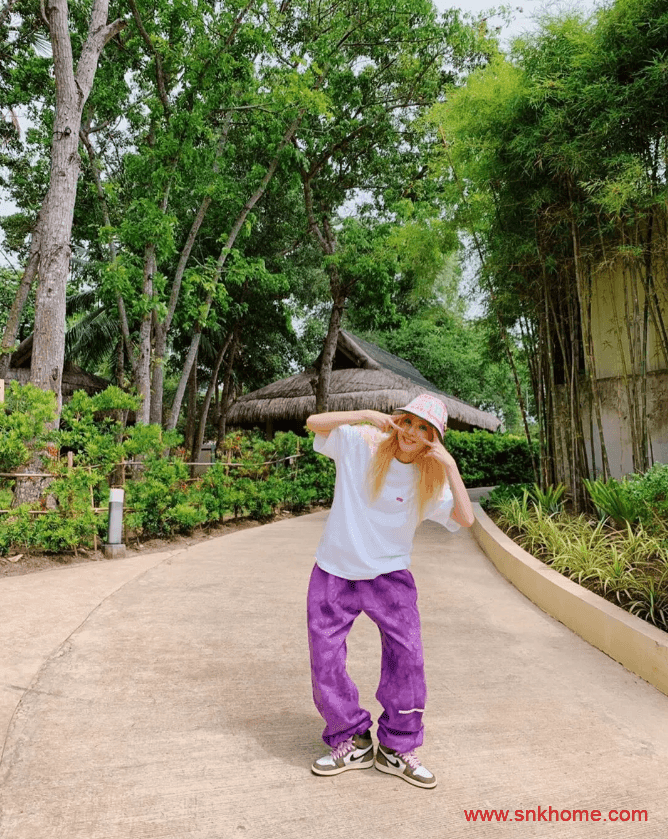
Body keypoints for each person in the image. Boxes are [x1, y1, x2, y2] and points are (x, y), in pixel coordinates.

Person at [305, 394, 474, 789]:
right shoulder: (361, 445)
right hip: (335, 570)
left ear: (434, 437)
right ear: (397, 419)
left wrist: (448, 464)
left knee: (408, 659)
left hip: (390, 577)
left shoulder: (430, 480)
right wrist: (366, 415)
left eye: (424, 429)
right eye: (409, 422)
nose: (412, 433)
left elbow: (465, 518)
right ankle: (350, 738)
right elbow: (315, 422)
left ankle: (398, 748)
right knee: (325, 659)